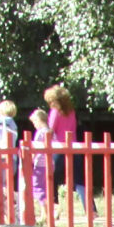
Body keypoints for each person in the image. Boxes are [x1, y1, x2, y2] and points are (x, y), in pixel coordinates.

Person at [43, 83, 92, 215]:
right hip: (73, 147)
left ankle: (54, 209)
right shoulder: (72, 112)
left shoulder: (54, 112)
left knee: (52, 179)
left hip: (58, 148)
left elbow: (50, 130)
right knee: (79, 180)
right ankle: (91, 210)